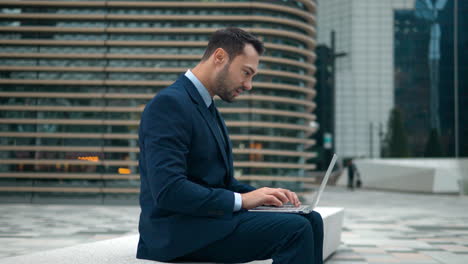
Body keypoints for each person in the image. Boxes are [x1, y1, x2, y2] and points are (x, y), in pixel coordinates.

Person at [137, 27, 324, 264]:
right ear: (219, 57)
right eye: (246, 73)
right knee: (295, 229)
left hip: (206, 222)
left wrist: (267, 195)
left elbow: (220, 183)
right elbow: (169, 190)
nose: (249, 85)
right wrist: (244, 200)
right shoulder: (169, 104)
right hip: (177, 232)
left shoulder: (208, 109)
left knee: (311, 219)